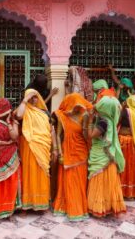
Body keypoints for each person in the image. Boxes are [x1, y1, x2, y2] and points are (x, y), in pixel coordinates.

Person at [52, 93, 92, 221]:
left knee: (80, 180)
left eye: (79, 106)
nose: (77, 108)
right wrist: (59, 152)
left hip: (81, 152)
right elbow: (58, 135)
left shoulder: (84, 115)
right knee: (67, 180)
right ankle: (65, 207)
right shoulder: (62, 117)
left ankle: (78, 208)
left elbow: (86, 136)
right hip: (67, 152)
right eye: (74, 106)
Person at [87, 96, 126, 217]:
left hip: (101, 157)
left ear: (104, 108)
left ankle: (99, 208)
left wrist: (89, 120)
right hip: (107, 157)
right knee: (108, 183)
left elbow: (91, 135)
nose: (97, 105)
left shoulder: (103, 122)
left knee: (100, 182)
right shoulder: (109, 120)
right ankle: (107, 206)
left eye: (100, 104)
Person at [16, 89, 51, 211]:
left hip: (43, 146)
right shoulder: (24, 109)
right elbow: (19, 116)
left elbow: (49, 131)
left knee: (42, 173)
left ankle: (41, 203)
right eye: (30, 97)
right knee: (28, 173)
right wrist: (25, 100)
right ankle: (27, 205)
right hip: (29, 146)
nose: (33, 100)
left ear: (39, 98)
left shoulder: (44, 113)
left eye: (35, 97)